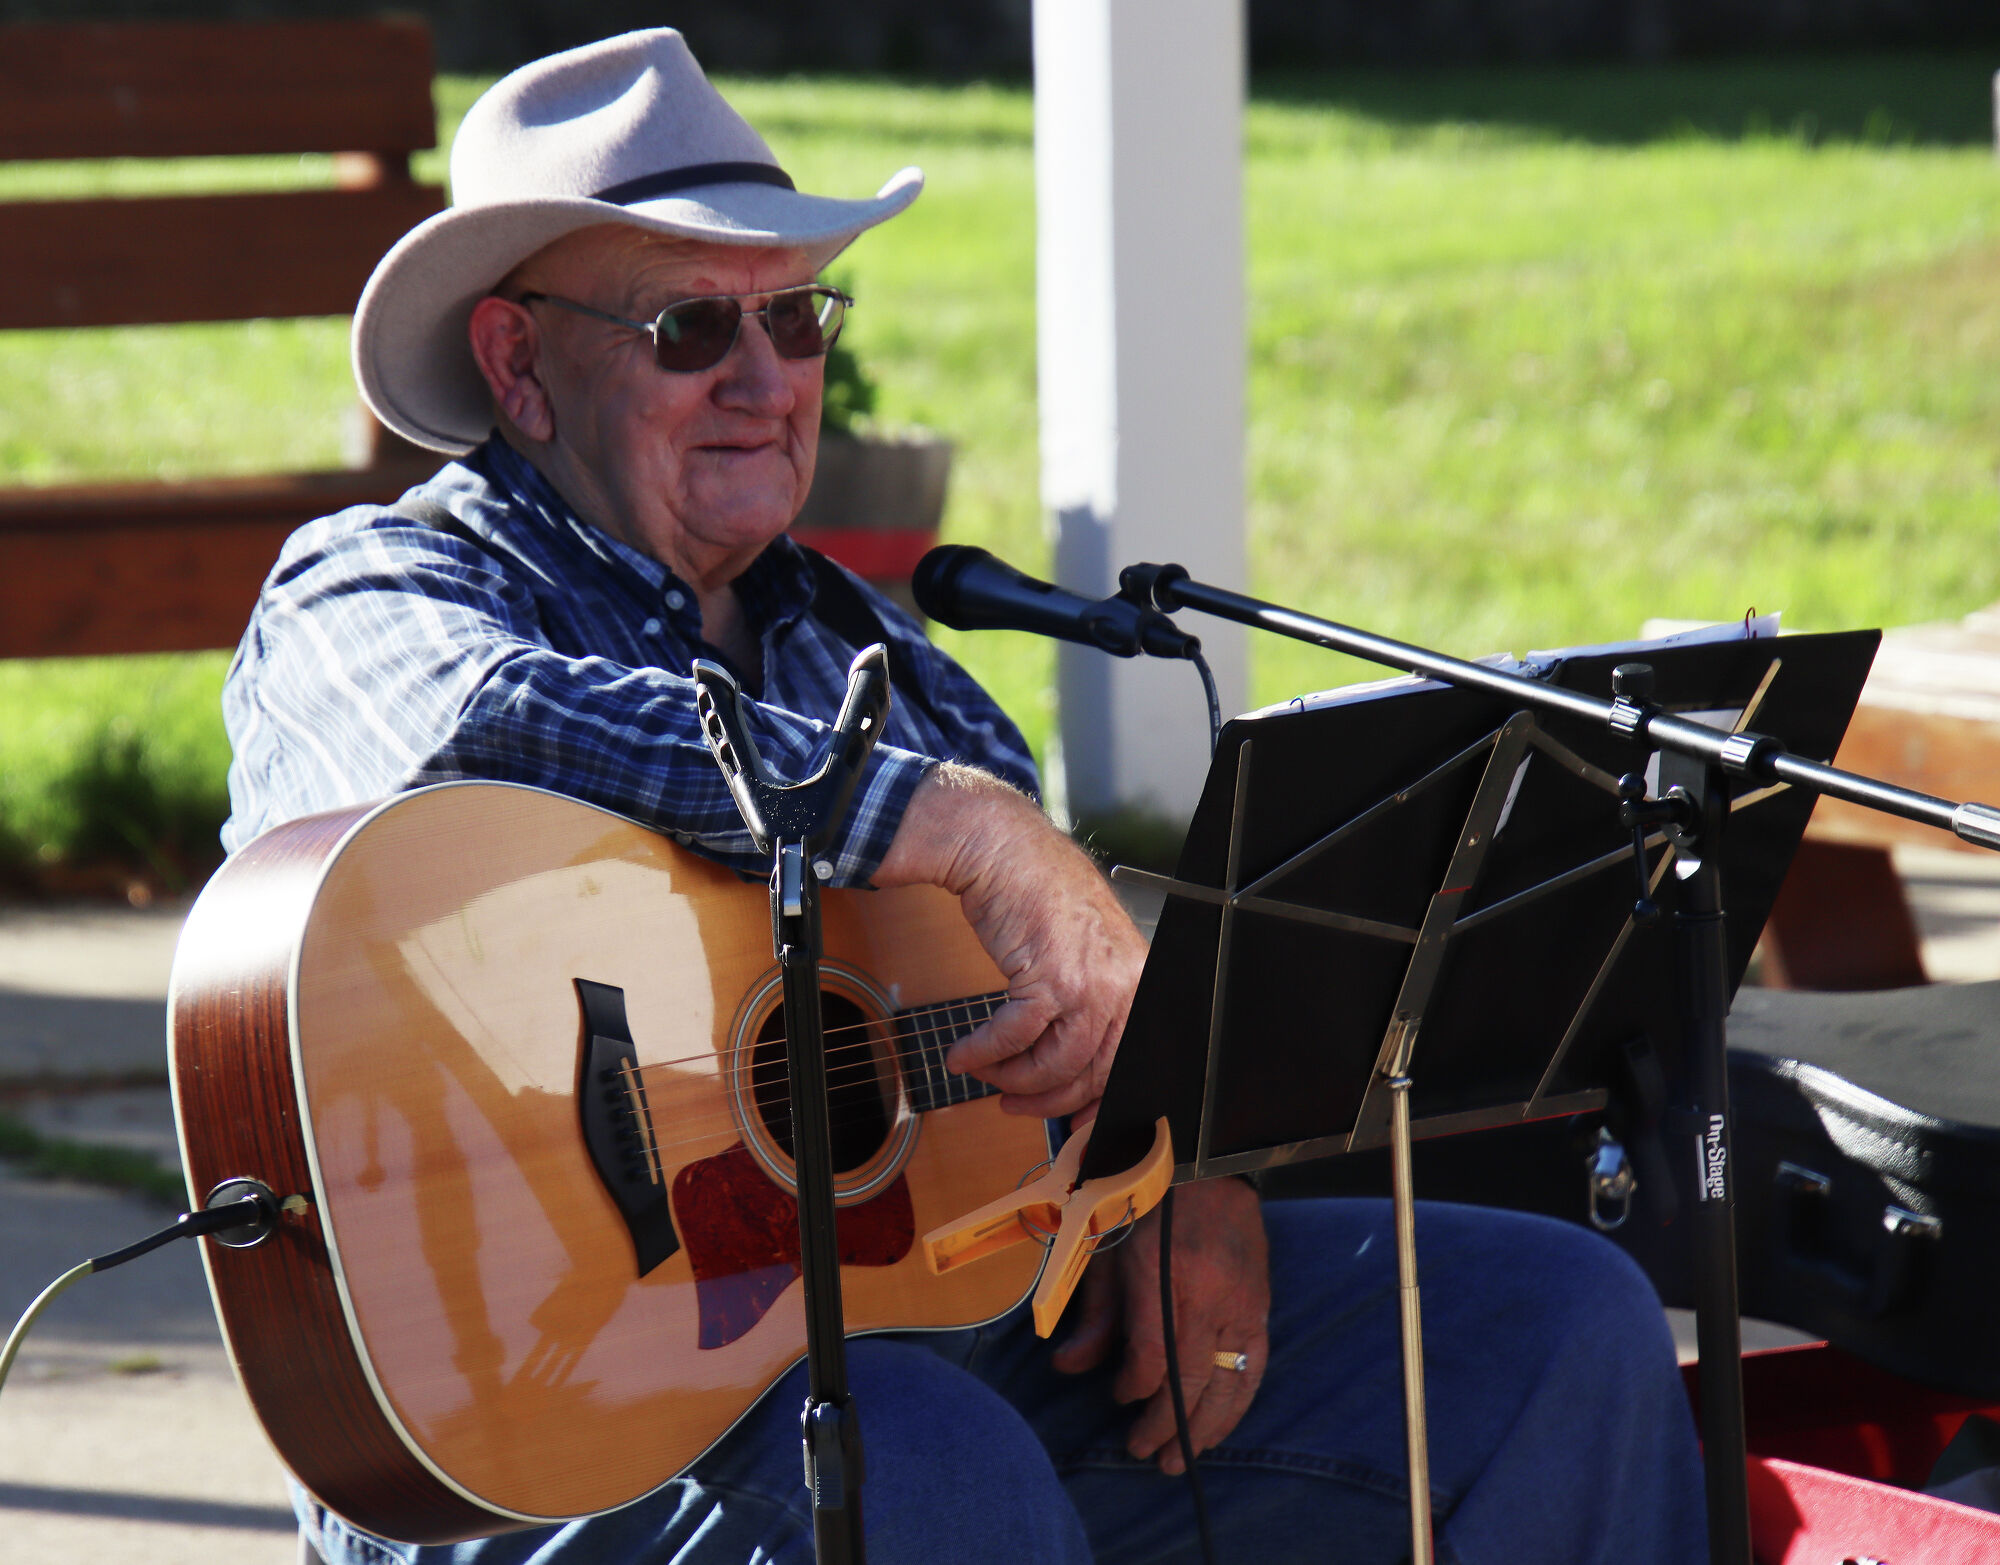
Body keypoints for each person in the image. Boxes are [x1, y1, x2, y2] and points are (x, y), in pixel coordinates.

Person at [226, 29, 1709, 1565]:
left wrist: (1180, 1161)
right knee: (928, 1464)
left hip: (956, 1356)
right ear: (518, 364)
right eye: (688, 330)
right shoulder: (380, 585)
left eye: (795, 318)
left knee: (1555, 1331)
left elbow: (1035, 1027)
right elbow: (461, 728)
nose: (764, 378)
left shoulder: (880, 656)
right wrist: (952, 824)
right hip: (534, 1424)